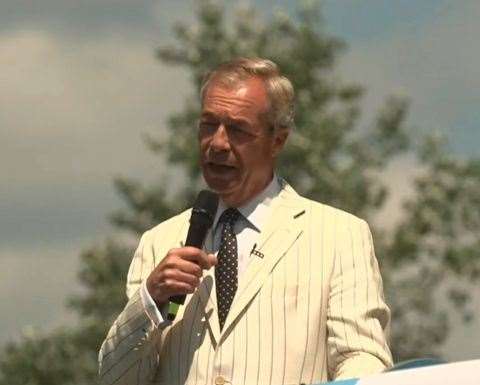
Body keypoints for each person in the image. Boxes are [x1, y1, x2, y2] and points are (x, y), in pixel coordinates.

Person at [98, 57, 393, 385]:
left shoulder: (338, 236)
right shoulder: (160, 241)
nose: (218, 143)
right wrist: (150, 299)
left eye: (237, 130)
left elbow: (362, 358)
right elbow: (117, 379)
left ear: (277, 140)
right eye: (208, 125)